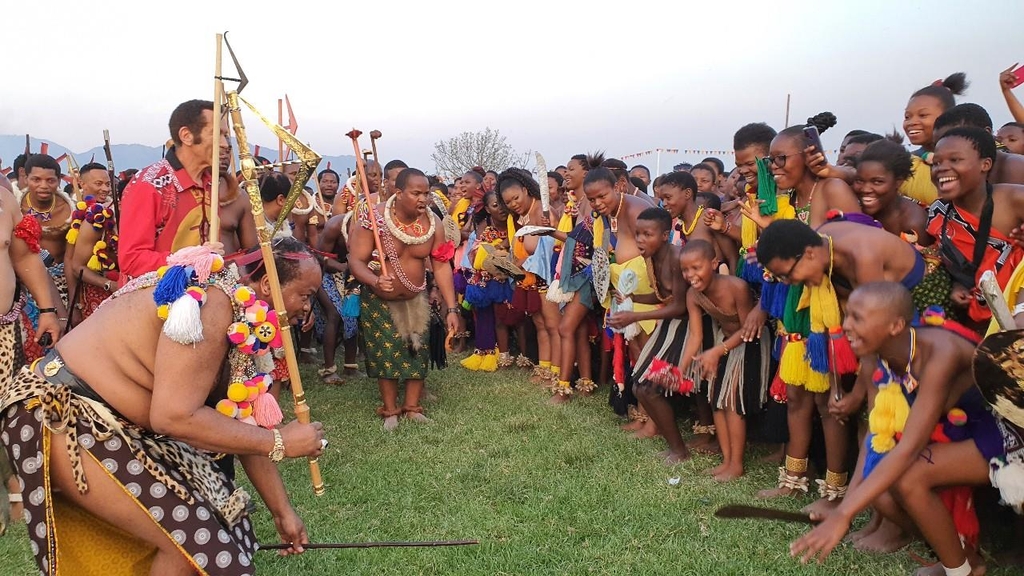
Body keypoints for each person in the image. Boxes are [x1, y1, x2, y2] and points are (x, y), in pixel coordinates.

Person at [1, 238, 326, 574]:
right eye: (305, 296)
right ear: (269, 283)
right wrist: (280, 443)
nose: (307, 308)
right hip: (59, 414)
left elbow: (240, 418)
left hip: (105, 421)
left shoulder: (242, 312)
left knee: (224, 520)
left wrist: (282, 511)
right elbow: (173, 417)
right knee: (194, 546)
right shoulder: (213, 302)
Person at [790, 282, 1024, 576]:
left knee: (909, 478)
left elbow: (910, 447)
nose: (846, 325)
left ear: (895, 325)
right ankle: (963, 561)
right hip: (956, 432)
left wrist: (844, 514)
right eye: (847, 315)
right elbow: (878, 434)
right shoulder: (878, 354)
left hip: (1003, 431)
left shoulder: (941, 352)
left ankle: (960, 572)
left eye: (858, 318)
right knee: (884, 493)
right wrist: (844, 508)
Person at [756, 215, 926, 511]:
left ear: (808, 254)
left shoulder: (863, 256)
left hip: (911, 314)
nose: (789, 283)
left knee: (881, 412)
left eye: (787, 275)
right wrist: (838, 388)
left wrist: (855, 394)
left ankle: (871, 507)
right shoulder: (820, 244)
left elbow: (878, 334)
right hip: (872, 318)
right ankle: (830, 491)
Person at [348, 168, 459, 431]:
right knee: (384, 351)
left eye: (426, 193)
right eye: (416, 193)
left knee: (417, 350)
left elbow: (442, 265)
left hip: (415, 295)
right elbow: (355, 260)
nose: (423, 199)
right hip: (379, 298)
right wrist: (374, 280)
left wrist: (452, 307)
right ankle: (390, 410)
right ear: (398, 193)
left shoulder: (434, 224)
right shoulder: (374, 219)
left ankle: (412, 407)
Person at [0, 182, 64, 531]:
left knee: (16, 412)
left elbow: (23, 257)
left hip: (6, 333)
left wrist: (48, 309)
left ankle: (19, 489)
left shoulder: (4, 199)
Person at [678, 239, 769, 481]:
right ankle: (726, 461)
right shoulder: (693, 295)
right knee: (715, 399)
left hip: (749, 341)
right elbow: (696, 335)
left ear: (714, 263)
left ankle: (736, 464)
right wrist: (681, 368)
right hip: (724, 342)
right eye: (685, 270)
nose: (690, 275)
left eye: (696, 267)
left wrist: (719, 351)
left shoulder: (736, 287)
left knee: (732, 401)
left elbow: (749, 328)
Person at [924, 126, 1024, 330]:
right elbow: (947, 261)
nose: (941, 168)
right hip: (978, 320)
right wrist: (957, 285)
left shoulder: (1013, 199)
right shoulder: (939, 214)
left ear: (985, 164)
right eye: (936, 163)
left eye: (955, 160)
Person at [118, 99, 227, 281]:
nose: (224, 144)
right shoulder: (149, 185)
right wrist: (192, 259)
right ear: (186, 135)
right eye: (217, 134)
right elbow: (132, 260)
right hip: (152, 297)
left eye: (226, 135)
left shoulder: (210, 183)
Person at [613, 208, 688, 462]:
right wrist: (631, 299)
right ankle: (672, 445)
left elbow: (680, 305)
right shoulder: (651, 258)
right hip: (670, 324)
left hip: (687, 327)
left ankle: (680, 451)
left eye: (648, 234)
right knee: (641, 386)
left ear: (666, 235)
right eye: (637, 234)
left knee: (650, 387)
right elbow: (660, 296)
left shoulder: (677, 257)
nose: (641, 240)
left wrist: (635, 315)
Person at [498, 168, 561, 383]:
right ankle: (543, 369)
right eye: (508, 202)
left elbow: (550, 245)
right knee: (540, 325)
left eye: (516, 198)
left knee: (553, 326)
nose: (513, 204)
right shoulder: (521, 218)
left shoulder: (544, 212)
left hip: (547, 278)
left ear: (526, 190)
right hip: (528, 280)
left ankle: (557, 371)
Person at [17, 154, 74, 359]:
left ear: (59, 181)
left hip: (62, 282)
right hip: (26, 283)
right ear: (25, 178)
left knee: (62, 340)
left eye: (50, 180)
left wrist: (72, 307)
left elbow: (71, 258)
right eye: (36, 179)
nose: (43, 185)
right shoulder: (16, 209)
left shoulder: (69, 210)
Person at [461, 189, 513, 371]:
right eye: (495, 205)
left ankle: (508, 355)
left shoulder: (515, 222)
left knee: (506, 318)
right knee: (485, 314)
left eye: (503, 203)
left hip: (510, 277)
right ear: (488, 209)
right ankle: (488, 352)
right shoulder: (484, 225)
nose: (501, 208)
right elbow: (477, 253)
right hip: (487, 278)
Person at [900, 73, 969, 206]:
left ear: (947, 116)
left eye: (923, 115)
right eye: (907, 116)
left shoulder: (970, 160)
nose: (911, 122)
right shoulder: (906, 164)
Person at [66, 162, 119, 322]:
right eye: (99, 183)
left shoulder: (113, 210)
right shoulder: (90, 218)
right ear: (82, 184)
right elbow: (73, 263)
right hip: (97, 294)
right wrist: (73, 303)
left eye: (108, 184)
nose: (105, 188)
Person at [933, 102, 1024, 185]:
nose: (944, 151)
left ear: (986, 133)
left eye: (953, 144)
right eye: (939, 146)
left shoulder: (1015, 166)